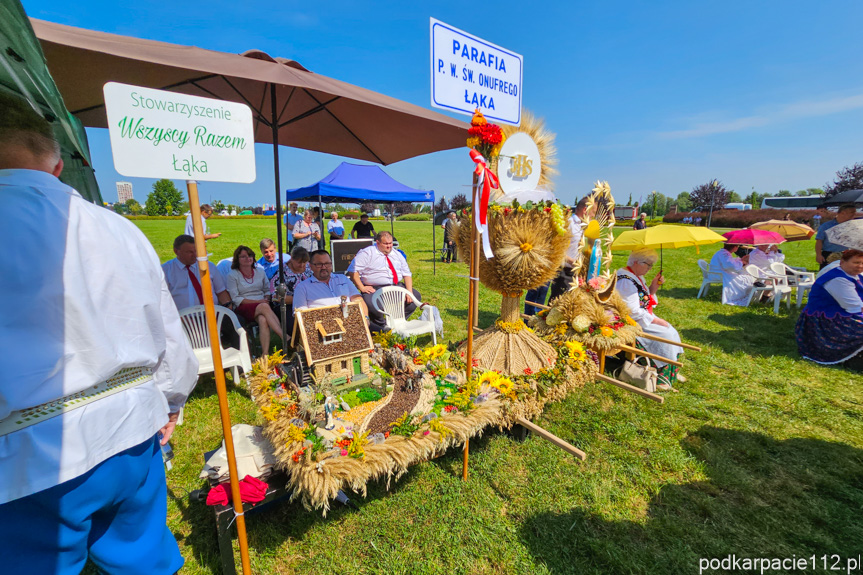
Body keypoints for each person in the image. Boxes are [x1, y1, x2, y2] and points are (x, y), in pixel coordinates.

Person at [0, 91, 198, 573]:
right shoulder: (119, 228)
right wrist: (171, 399)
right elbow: (166, 329)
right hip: (131, 432)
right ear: (57, 166)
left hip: (34, 460)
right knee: (145, 561)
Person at [616, 249, 685, 390]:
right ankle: (661, 378)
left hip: (643, 317)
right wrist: (655, 321)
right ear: (636, 262)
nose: (649, 268)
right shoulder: (625, 280)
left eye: (651, 265)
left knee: (670, 331)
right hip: (632, 321)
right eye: (648, 265)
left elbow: (645, 299)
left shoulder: (636, 276)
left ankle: (670, 372)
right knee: (666, 334)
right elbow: (632, 310)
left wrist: (654, 285)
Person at [796, 249, 863, 371]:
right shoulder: (837, 279)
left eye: (862, 263)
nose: (860, 266)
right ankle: (853, 358)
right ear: (842, 262)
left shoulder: (855, 276)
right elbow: (854, 307)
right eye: (856, 262)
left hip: (844, 314)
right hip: (826, 320)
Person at [348, 231, 420, 330]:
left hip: (396, 285)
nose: (389, 246)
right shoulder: (367, 253)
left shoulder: (397, 254)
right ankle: (381, 326)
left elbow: (407, 274)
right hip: (375, 288)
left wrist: (409, 292)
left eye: (390, 243)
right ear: (377, 242)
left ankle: (397, 322)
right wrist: (362, 287)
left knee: (415, 297)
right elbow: (353, 271)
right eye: (386, 244)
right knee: (371, 303)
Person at [226, 245, 284, 356]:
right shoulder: (232, 275)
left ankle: (265, 353)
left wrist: (266, 298)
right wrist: (259, 302)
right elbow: (236, 298)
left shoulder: (260, 272)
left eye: (250, 256)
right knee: (264, 307)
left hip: (262, 304)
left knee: (263, 320)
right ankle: (284, 336)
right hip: (244, 306)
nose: (247, 258)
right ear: (237, 259)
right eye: (243, 257)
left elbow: (267, 289)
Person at [163, 234, 232, 310]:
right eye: (189, 252)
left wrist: (228, 307)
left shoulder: (208, 267)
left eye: (196, 251)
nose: (195, 255)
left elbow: (221, 292)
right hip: (181, 318)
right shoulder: (166, 270)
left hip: (211, 316)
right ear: (176, 251)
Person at [293, 250, 367, 313]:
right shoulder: (302, 287)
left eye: (327, 263)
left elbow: (357, 298)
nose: (324, 267)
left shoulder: (343, 279)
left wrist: (365, 318)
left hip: (350, 321)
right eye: (319, 264)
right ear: (310, 266)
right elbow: (300, 313)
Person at [547, 197, 589, 303]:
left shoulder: (586, 226)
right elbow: (556, 249)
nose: (593, 216)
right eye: (593, 212)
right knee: (557, 303)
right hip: (564, 272)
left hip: (578, 273)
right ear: (585, 210)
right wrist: (572, 261)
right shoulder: (568, 224)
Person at [269, 246, 313, 333]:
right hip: (287, 305)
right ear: (292, 259)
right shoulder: (281, 274)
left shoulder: (308, 268)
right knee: (295, 325)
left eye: (304, 262)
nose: (302, 265)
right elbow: (276, 297)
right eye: (299, 262)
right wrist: (299, 299)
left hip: (309, 301)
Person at [816, 204, 857, 269]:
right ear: (843, 213)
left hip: (847, 255)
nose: (854, 214)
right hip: (828, 255)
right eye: (852, 212)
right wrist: (818, 255)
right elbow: (819, 241)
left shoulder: (853, 226)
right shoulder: (826, 226)